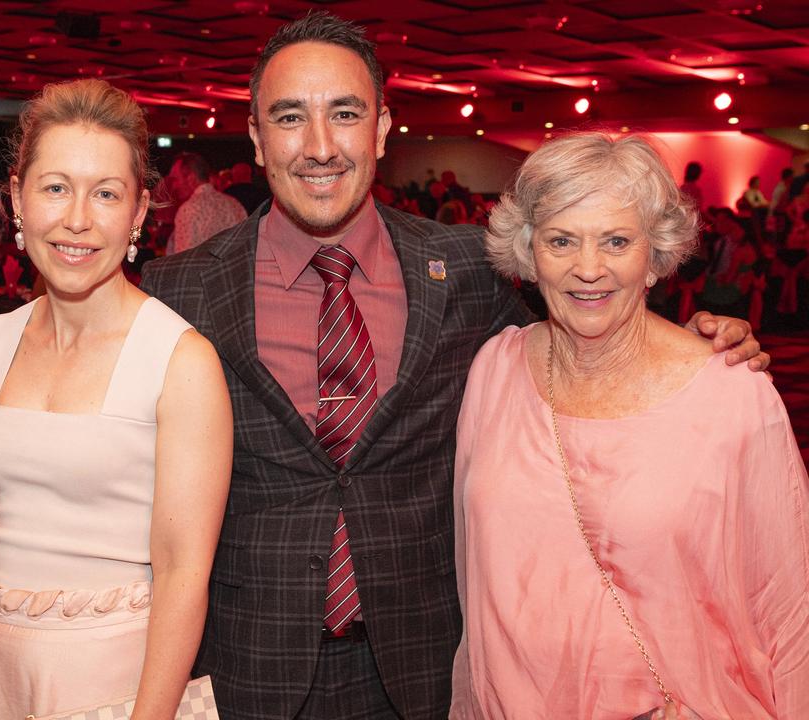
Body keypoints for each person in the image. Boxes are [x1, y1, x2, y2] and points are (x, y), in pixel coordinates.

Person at [140, 11, 768, 720]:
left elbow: (586, 330)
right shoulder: (178, 290)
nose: (319, 146)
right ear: (256, 137)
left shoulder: (471, 269)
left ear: (380, 127)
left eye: (344, 113)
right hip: (247, 669)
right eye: (289, 117)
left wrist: (696, 343)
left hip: (427, 671)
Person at [452, 131, 808, 718]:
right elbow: (473, 578)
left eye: (616, 240)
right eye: (561, 240)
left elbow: (790, 608)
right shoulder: (495, 367)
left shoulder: (731, 393)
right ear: (528, 254)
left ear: (655, 255)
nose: (588, 269)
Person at [0, 78, 232, 719]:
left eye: (105, 193)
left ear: (138, 211)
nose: (77, 219)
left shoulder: (181, 361)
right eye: (55, 187)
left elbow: (185, 570)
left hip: (117, 684)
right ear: (17, 195)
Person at [166, 151, 247, 255]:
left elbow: (184, 262)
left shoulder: (188, 210)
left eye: (176, 179)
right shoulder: (234, 204)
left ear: (191, 179)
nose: (174, 186)